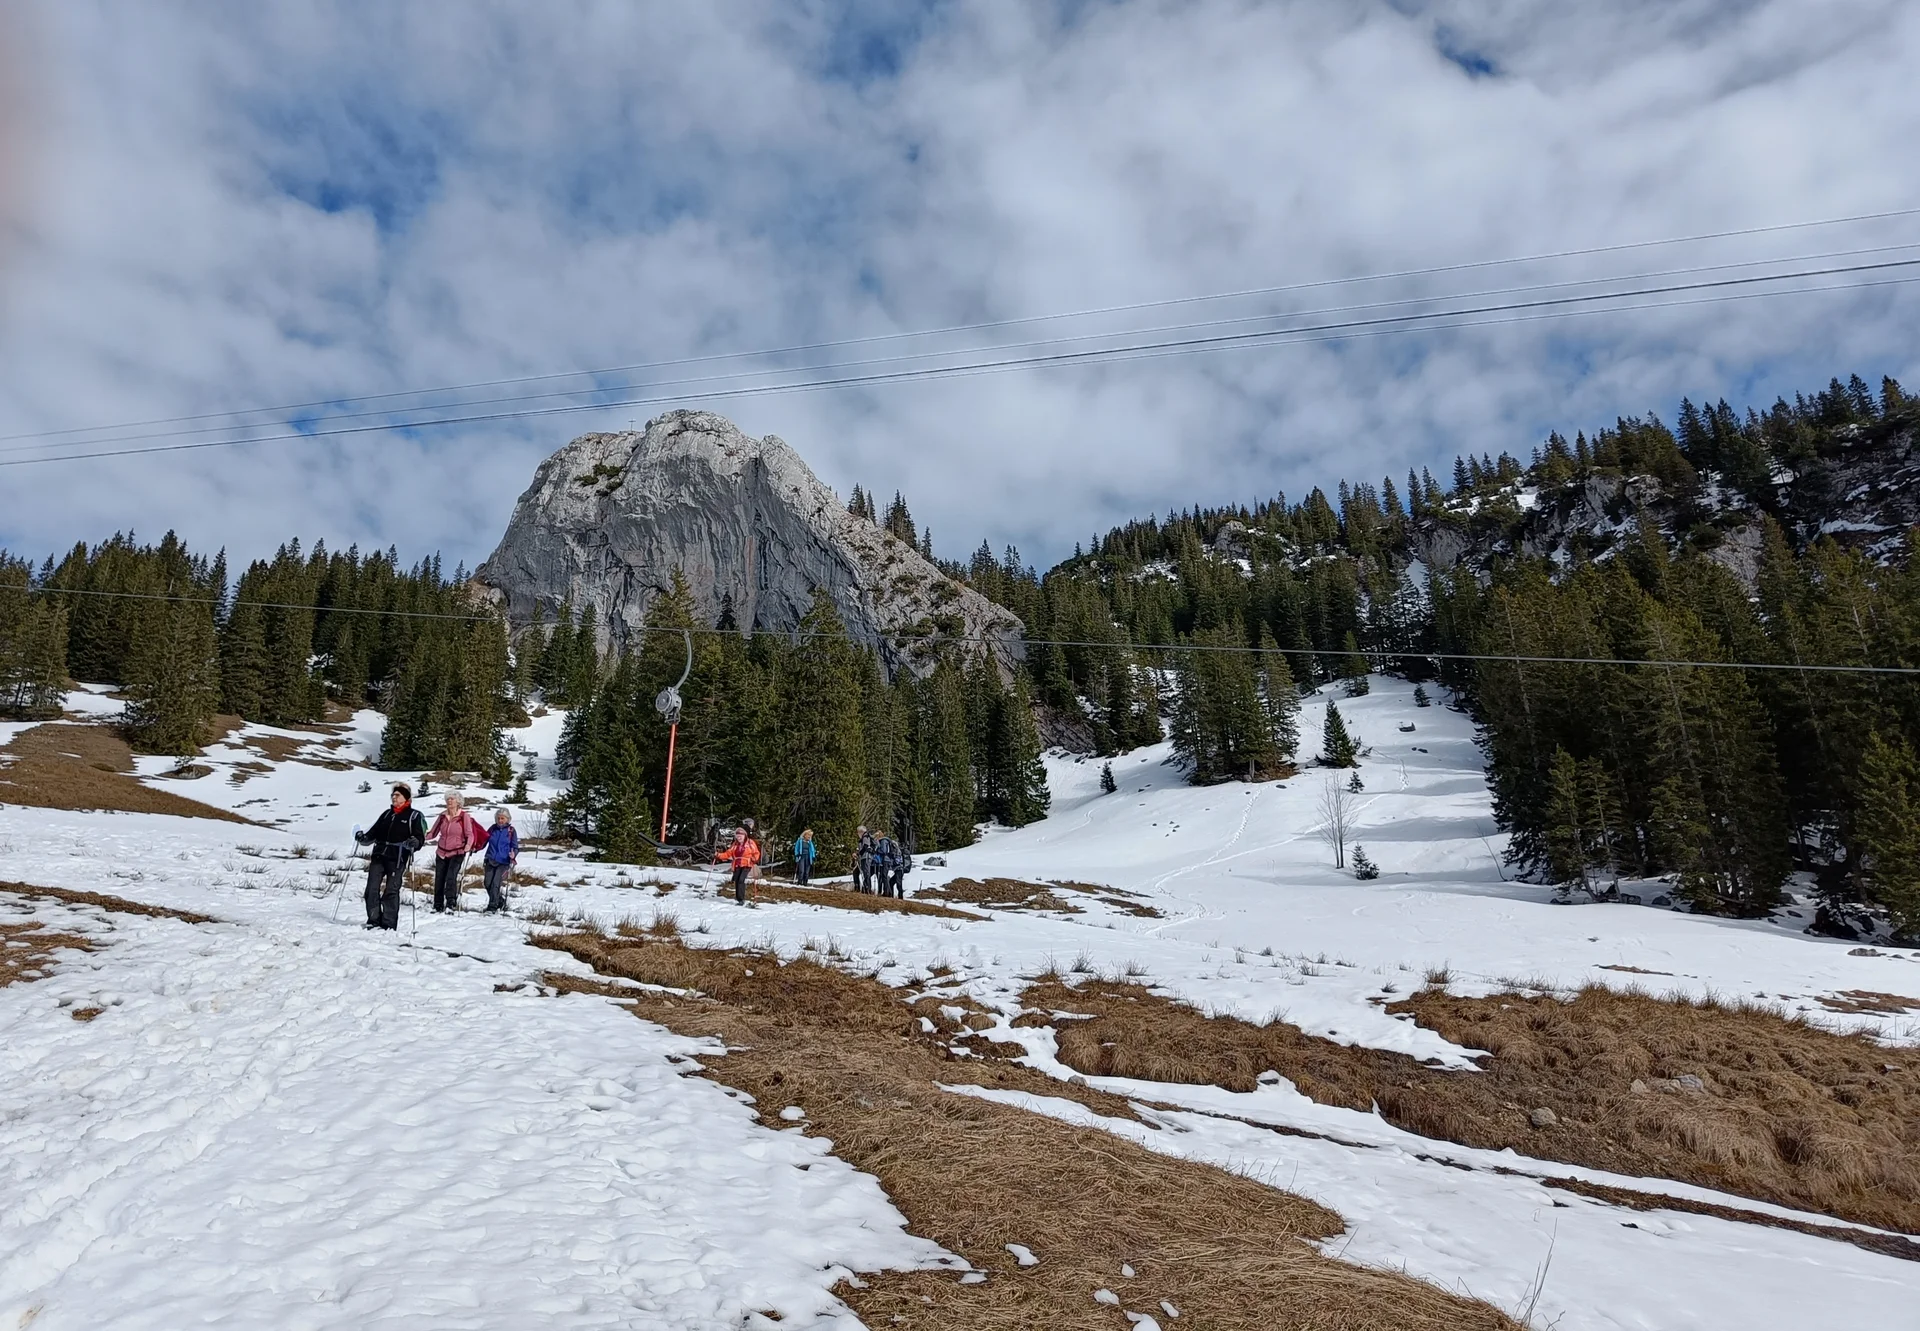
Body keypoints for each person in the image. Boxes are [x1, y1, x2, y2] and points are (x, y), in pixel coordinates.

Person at [355, 784, 427, 930]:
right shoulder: (386, 814)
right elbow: (373, 832)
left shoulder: (414, 816)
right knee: (371, 889)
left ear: (406, 798)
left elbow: (420, 837)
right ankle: (373, 920)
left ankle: (388, 924)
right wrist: (363, 837)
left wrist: (416, 842)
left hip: (397, 858)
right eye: (393, 795)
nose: (394, 797)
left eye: (397, 795)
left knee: (391, 891)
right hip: (379, 855)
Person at [425, 793, 488, 913]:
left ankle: (451, 903)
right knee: (439, 878)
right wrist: (421, 838)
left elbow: (469, 834)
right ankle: (437, 905)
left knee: (451, 877)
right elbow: (433, 833)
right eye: (447, 799)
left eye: (452, 799)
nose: (449, 801)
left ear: (458, 802)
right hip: (441, 852)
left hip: (458, 852)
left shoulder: (464, 817)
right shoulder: (442, 816)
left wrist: (468, 846)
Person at [481, 808, 519, 913]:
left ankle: (492, 907)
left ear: (507, 819)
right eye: (498, 818)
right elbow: (484, 840)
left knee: (495, 884)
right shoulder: (492, 829)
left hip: (503, 862)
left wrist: (513, 854)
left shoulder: (511, 831)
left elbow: (515, 846)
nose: (500, 820)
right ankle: (500, 901)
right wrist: (475, 847)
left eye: (502, 818)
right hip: (490, 859)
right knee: (487, 883)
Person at [715, 825, 762, 906]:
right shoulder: (735, 844)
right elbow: (728, 854)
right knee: (737, 880)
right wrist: (718, 855)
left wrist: (754, 858)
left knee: (741, 880)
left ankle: (741, 899)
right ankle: (739, 898)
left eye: (741, 836)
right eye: (737, 836)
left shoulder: (750, 843)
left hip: (747, 864)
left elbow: (756, 853)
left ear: (745, 835)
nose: (739, 837)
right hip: (737, 864)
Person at [854, 826, 877, 894]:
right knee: (866, 872)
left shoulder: (865, 836)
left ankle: (868, 889)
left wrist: (859, 853)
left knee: (866, 872)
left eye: (858, 832)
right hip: (866, 857)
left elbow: (865, 846)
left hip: (866, 857)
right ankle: (866, 888)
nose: (858, 834)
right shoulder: (866, 836)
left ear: (861, 832)